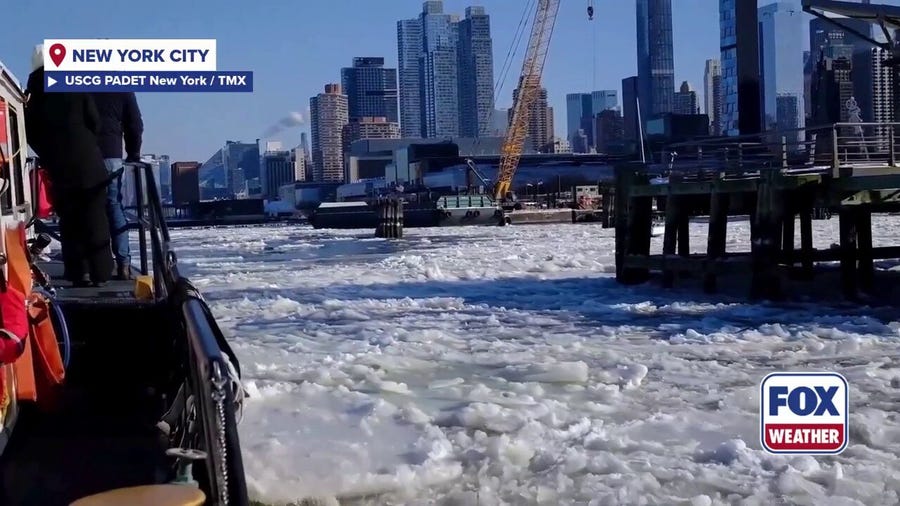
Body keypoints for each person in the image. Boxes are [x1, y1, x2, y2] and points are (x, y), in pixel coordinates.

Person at [25, 45, 113, 287]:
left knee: (70, 219)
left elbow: (29, 133)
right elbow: (94, 120)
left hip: (58, 165)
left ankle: (79, 272)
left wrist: (48, 152)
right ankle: (101, 272)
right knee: (95, 217)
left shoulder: (32, 94)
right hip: (88, 161)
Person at [90, 91, 143, 280]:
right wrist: (133, 153)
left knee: (88, 208)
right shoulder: (123, 90)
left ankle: (93, 263)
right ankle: (123, 264)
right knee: (114, 206)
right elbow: (135, 125)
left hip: (86, 154)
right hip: (112, 155)